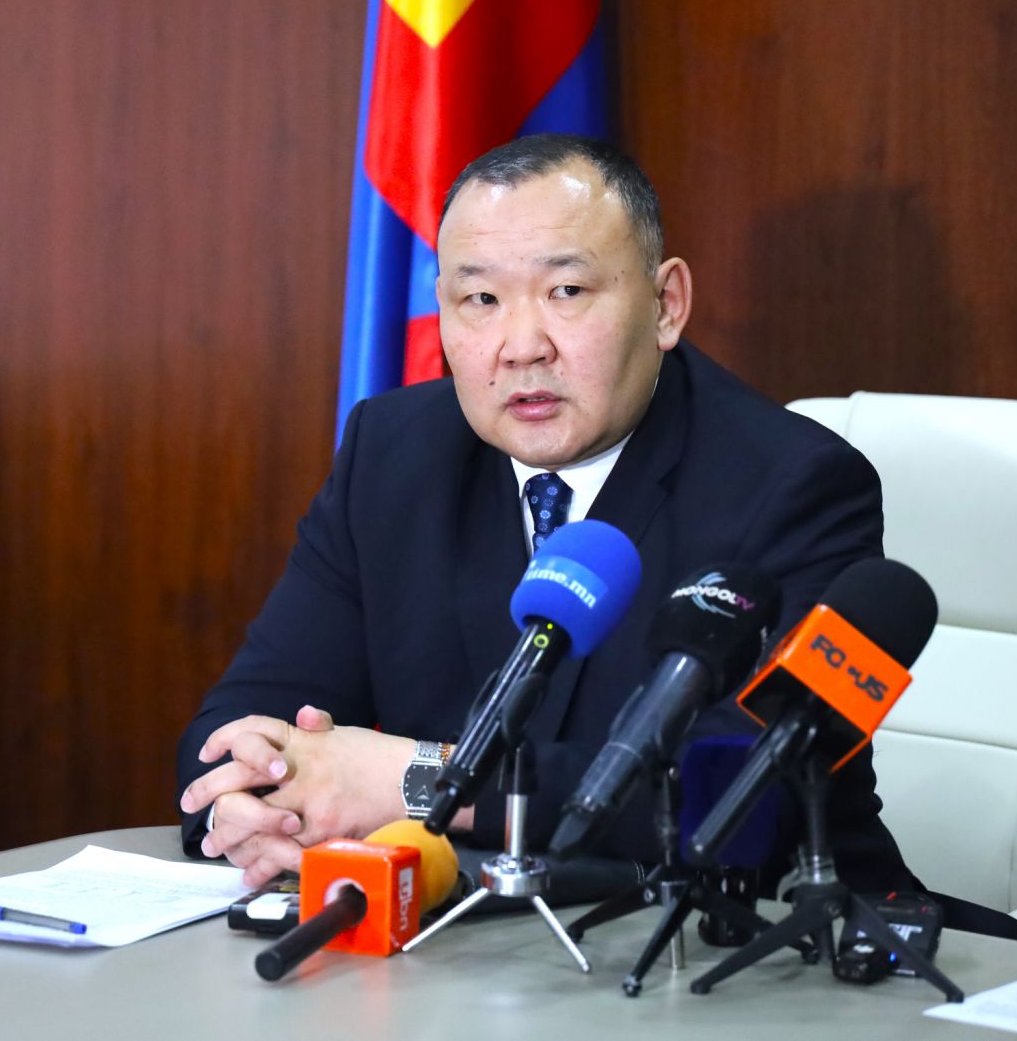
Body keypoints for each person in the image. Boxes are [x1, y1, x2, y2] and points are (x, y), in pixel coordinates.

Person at [176, 134, 916, 895]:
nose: (522, 347)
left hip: (750, 937)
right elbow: (240, 721)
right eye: (481, 300)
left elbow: (748, 794)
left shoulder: (797, 485)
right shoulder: (393, 454)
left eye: (566, 291)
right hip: (460, 936)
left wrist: (418, 780)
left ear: (666, 305)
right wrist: (257, 801)